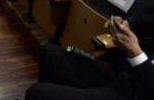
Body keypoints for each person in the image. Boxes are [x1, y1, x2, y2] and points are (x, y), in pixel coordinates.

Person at [25, 15, 154, 100]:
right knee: (50, 53)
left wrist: (135, 53)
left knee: (37, 93)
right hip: (123, 72)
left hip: (137, 92)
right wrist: (126, 24)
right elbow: (144, 19)